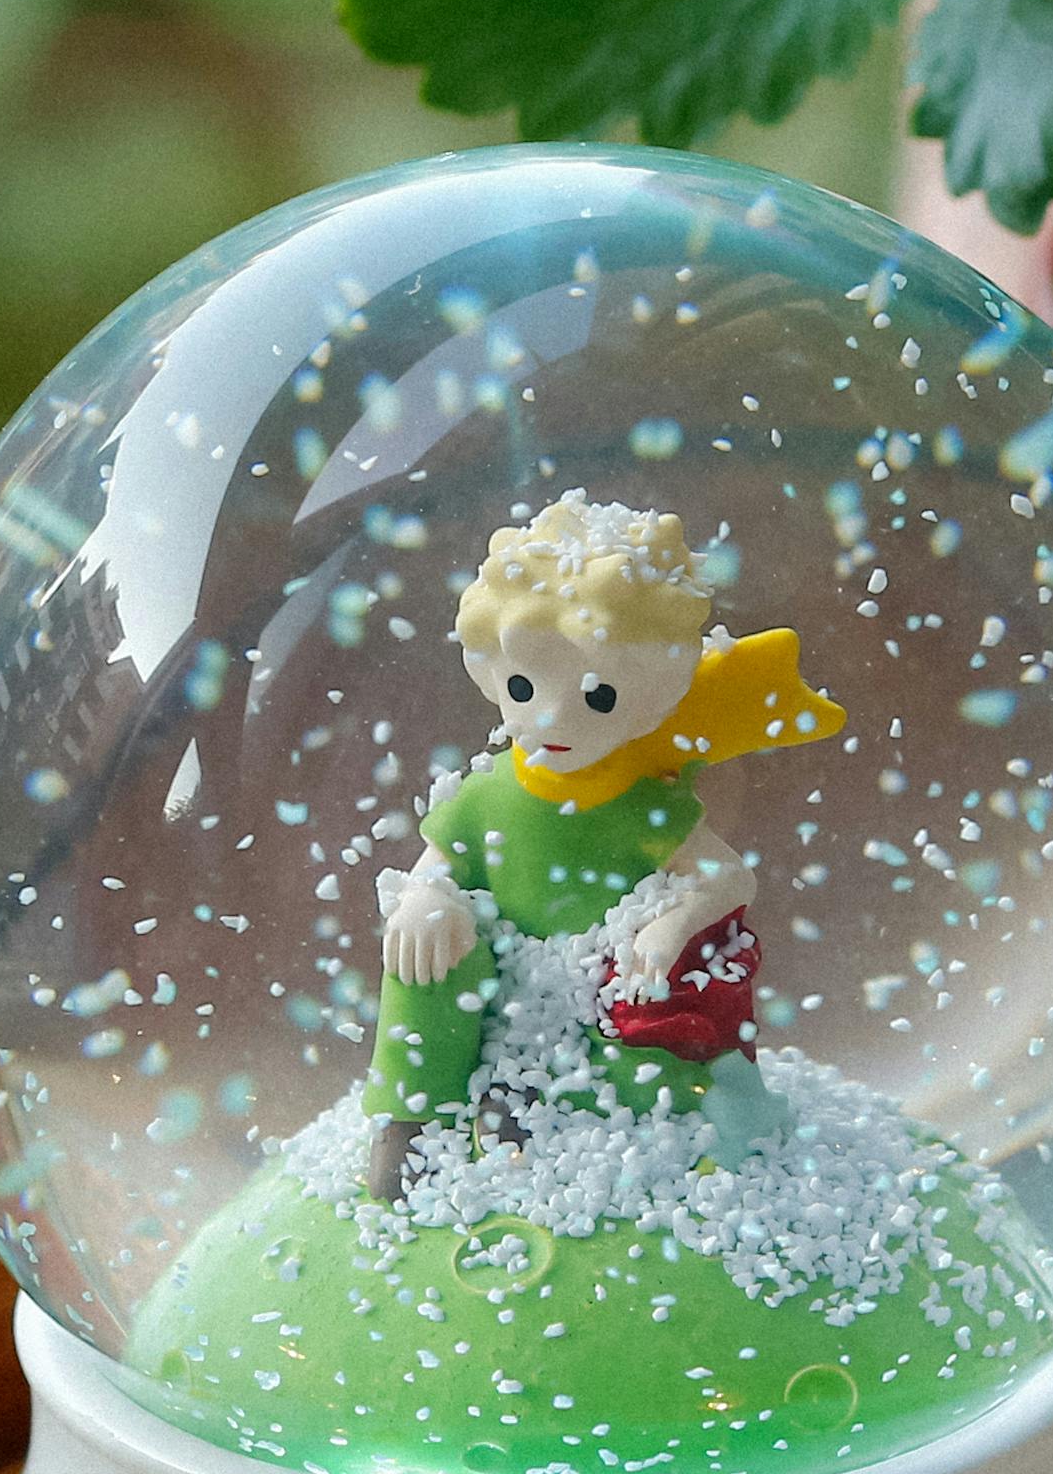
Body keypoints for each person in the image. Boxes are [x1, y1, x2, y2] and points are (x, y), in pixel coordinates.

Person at [361, 494, 842, 1200]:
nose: (553, 718)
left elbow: (728, 877)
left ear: (655, 695)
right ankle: (413, 1125)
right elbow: (436, 866)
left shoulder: (639, 805)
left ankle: (558, 1121)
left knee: (637, 1046)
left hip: (601, 991)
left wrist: (670, 926)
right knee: (424, 957)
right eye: (524, 687)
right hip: (498, 982)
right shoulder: (487, 794)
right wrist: (425, 900)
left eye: (598, 697)